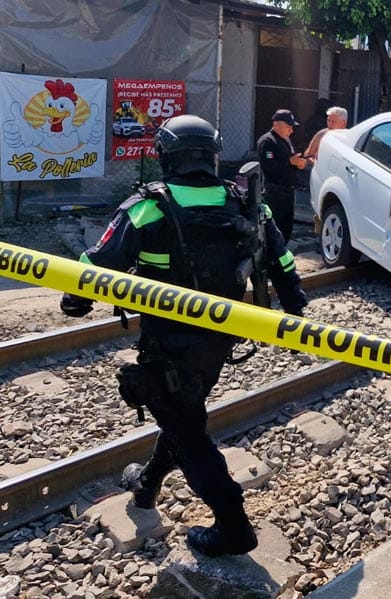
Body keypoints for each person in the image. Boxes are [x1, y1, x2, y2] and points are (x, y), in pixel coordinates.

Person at [59, 114, 308, 557]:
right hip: (221, 340)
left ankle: (234, 524)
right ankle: (147, 483)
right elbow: (283, 261)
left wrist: (74, 300)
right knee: (183, 413)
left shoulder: (147, 206)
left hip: (167, 345)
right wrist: (294, 308)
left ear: (164, 156)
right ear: (213, 157)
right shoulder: (246, 202)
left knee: (187, 431)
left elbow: (95, 264)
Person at [257, 109, 307, 242]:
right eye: (288, 127)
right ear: (276, 124)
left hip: (288, 191)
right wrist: (290, 162)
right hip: (275, 191)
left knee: (286, 227)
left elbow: (291, 160)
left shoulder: (285, 140)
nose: (291, 130)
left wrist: (299, 164)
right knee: (275, 228)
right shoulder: (268, 141)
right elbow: (269, 166)